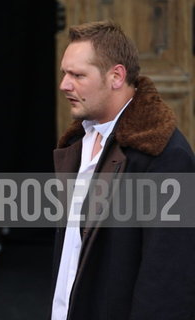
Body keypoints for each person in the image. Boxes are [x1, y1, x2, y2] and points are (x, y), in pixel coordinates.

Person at [50, 20, 195, 319]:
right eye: (65, 72)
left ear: (116, 76)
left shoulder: (165, 157)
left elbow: (167, 282)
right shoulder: (80, 139)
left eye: (77, 75)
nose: (65, 84)